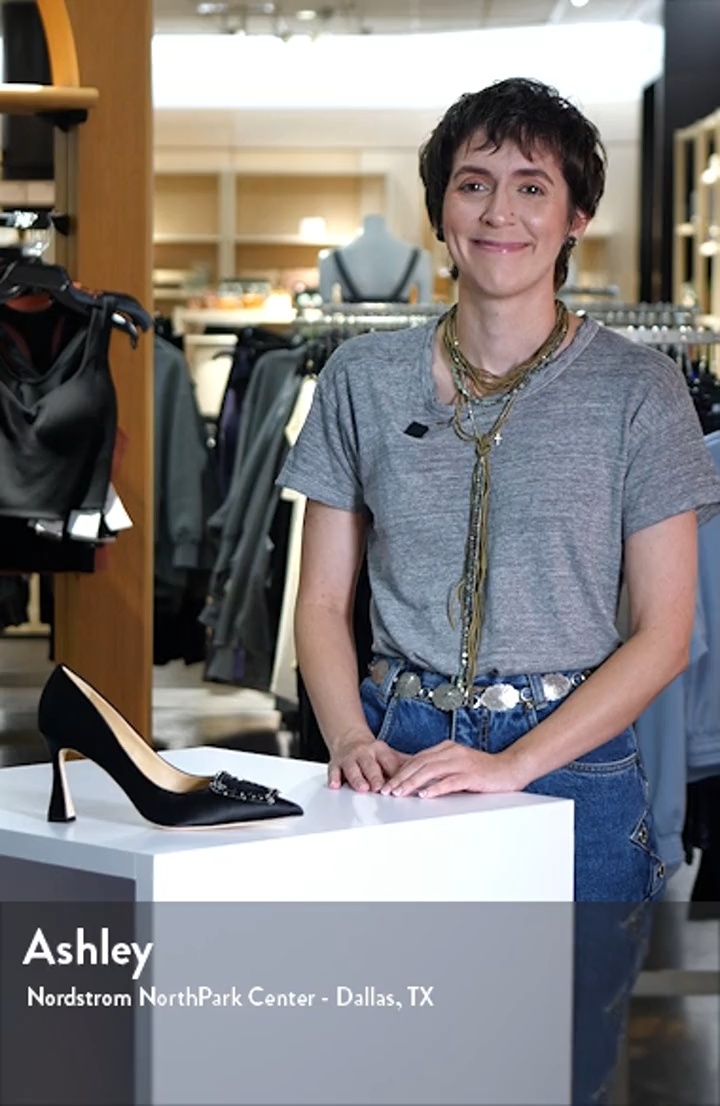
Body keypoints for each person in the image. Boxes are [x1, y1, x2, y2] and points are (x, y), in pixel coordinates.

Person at [277, 77, 720, 1103]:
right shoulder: (360, 378)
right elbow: (321, 602)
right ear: (440, 209)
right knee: (391, 1068)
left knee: (553, 1072)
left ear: (577, 217)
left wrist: (512, 762)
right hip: (393, 757)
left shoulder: (641, 390)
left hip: (572, 774)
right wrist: (347, 735)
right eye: (473, 184)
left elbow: (665, 632)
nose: (499, 213)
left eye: (532, 186)